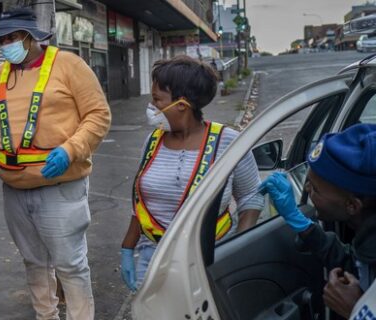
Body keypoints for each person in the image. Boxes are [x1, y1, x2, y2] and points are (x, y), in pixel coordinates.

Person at [0, 8, 111, 320]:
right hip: (14, 189)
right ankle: (46, 316)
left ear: (31, 36)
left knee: (70, 265)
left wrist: (71, 150)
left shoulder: (69, 65)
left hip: (60, 187)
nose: (7, 44)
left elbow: (98, 115)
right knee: (34, 262)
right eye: (2, 39)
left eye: (13, 37)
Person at [120, 56, 264, 292]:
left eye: (157, 100)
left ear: (181, 105)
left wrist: (239, 249)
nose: (151, 107)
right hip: (153, 258)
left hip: (210, 257)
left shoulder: (227, 141)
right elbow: (140, 203)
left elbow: (251, 197)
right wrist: (127, 247)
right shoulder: (153, 141)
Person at [260, 124, 376, 319]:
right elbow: (358, 265)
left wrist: (356, 309)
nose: (306, 189)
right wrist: (302, 224)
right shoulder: (369, 237)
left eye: (315, 188)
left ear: (352, 206)